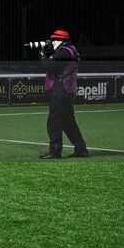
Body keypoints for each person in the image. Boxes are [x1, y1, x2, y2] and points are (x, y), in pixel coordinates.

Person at [38, 30, 89, 159]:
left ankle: (55, 151)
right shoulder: (70, 50)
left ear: (61, 40)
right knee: (68, 121)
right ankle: (81, 149)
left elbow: (48, 66)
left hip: (60, 89)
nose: (52, 42)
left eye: (54, 40)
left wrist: (43, 53)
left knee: (54, 121)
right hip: (66, 89)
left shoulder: (65, 52)